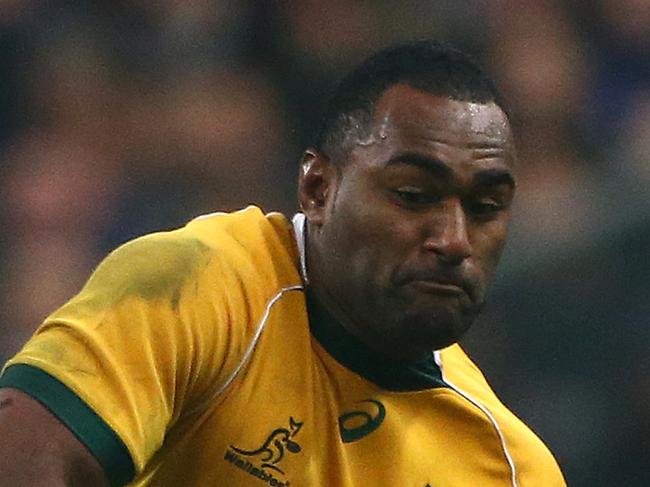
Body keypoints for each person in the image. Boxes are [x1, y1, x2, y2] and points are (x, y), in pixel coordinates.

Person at [0, 41, 566, 486]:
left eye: (487, 207)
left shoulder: (512, 470)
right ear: (317, 188)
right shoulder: (197, 283)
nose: (454, 239)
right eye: (413, 195)